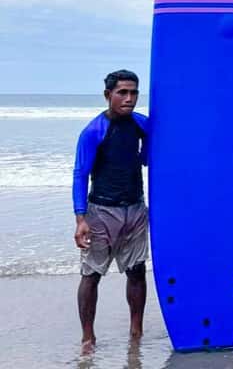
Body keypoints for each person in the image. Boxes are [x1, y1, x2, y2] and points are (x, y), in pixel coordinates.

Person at [72, 70, 149, 351]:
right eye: (122, 93)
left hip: (135, 209)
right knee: (91, 274)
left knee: (137, 272)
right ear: (108, 95)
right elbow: (80, 174)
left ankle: (136, 331)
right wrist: (80, 218)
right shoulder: (94, 131)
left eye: (134, 92)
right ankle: (88, 337)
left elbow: (152, 152)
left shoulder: (141, 123)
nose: (129, 98)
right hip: (101, 211)